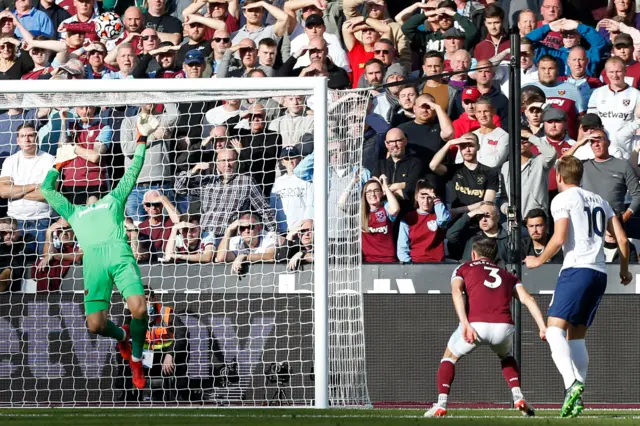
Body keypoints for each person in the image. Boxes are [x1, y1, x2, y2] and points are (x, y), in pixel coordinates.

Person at [39, 113, 162, 390]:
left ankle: (137, 360)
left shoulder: (114, 199)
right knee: (94, 325)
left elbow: (134, 170)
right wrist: (59, 163)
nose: (90, 191)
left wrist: (142, 137)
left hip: (119, 254)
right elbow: (46, 189)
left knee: (139, 308)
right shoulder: (73, 211)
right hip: (93, 262)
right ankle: (122, 337)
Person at [525, 155, 633, 418]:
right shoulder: (601, 201)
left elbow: (559, 236)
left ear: (559, 177)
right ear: (580, 176)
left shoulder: (562, 199)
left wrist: (539, 259)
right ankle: (577, 395)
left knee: (553, 332)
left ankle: (571, 384)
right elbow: (621, 238)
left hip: (576, 270)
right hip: (599, 273)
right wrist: (623, 269)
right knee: (576, 336)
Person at [423, 238, 546, 418]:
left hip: (476, 325)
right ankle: (517, 395)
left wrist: (465, 323)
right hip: (504, 326)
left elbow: (457, 292)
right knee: (506, 356)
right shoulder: (508, 275)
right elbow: (529, 299)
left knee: (448, 358)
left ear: (473, 254)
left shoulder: (463, 268)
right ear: (494, 256)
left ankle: (441, 404)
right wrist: (542, 326)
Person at [397, 180, 450, 264]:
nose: (425, 202)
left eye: (429, 198)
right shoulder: (408, 218)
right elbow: (402, 246)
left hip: (437, 264)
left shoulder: (439, 214)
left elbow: (443, 220)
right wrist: (408, 263)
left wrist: (436, 198)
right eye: (422, 197)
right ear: (416, 197)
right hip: (415, 263)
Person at [360, 176, 400, 263]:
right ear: (364, 194)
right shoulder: (360, 211)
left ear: (382, 193)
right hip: (367, 261)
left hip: (388, 259)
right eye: (369, 191)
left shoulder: (385, 207)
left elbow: (395, 209)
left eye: (376, 190)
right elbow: (341, 204)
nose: (372, 194)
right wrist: (352, 182)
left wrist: (385, 185)